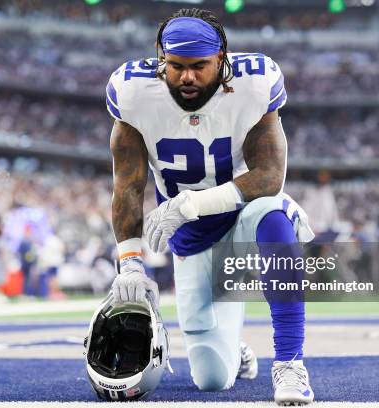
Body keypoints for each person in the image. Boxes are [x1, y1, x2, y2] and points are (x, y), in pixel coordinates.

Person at [106, 8, 315, 405]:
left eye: (199, 66)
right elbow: (128, 184)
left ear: (222, 59)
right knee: (212, 379)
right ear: (159, 57)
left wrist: (190, 203)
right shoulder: (133, 91)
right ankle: (232, 345)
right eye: (176, 66)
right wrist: (130, 261)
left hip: (242, 220)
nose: (187, 77)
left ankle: (290, 365)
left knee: (272, 212)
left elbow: (269, 175)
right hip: (191, 240)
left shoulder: (254, 82)